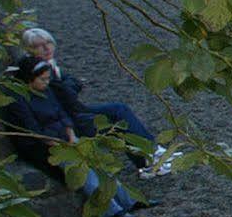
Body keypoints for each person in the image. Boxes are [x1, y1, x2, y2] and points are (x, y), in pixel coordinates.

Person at [0, 55, 141, 217]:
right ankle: (111, 211)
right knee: (84, 172)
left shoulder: (45, 90)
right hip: (43, 147)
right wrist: (63, 144)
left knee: (99, 163)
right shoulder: (19, 100)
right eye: (42, 79)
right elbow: (33, 131)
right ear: (29, 79)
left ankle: (127, 201)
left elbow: (62, 114)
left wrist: (71, 136)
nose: (46, 82)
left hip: (64, 137)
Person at [23, 26, 161, 172]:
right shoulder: (38, 72)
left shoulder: (50, 65)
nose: (46, 48)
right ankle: (147, 160)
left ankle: (151, 151)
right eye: (38, 46)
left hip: (74, 110)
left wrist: (69, 86)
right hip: (69, 119)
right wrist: (69, 87)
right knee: (116, 122)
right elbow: (67, 92)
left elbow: (73, 83)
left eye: (48, 43)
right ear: (29, 49)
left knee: (119, 109)